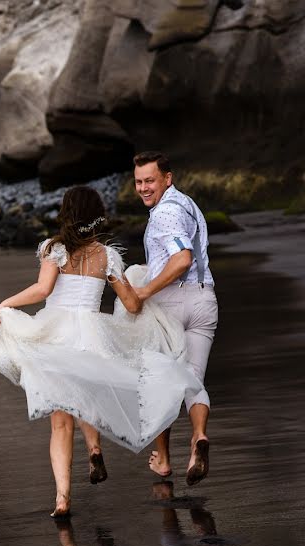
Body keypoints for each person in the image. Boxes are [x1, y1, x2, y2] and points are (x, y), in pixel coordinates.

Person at [0, 186, 202, 518]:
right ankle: (95, 448)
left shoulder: (54, 249)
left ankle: (62, 499)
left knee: (61, 421)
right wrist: (143, 284)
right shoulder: (108, 256)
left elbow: (43, 290)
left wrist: (5, 303)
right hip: (92, 334)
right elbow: (130, 304)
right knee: (87, 392)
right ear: (96, 215)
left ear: (67, 213)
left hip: (56, 333)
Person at [131, 150, 219, 486]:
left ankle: (164, 459)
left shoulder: (165, 213)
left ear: (168, 178)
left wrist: (144, 290)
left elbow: (181, 259)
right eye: (138, 181)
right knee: (192, 380)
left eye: (149, 180)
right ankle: (198, 437)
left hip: (171, 305)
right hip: (203, 300)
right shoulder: (187, 205)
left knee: (162, 384)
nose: (143, 188)